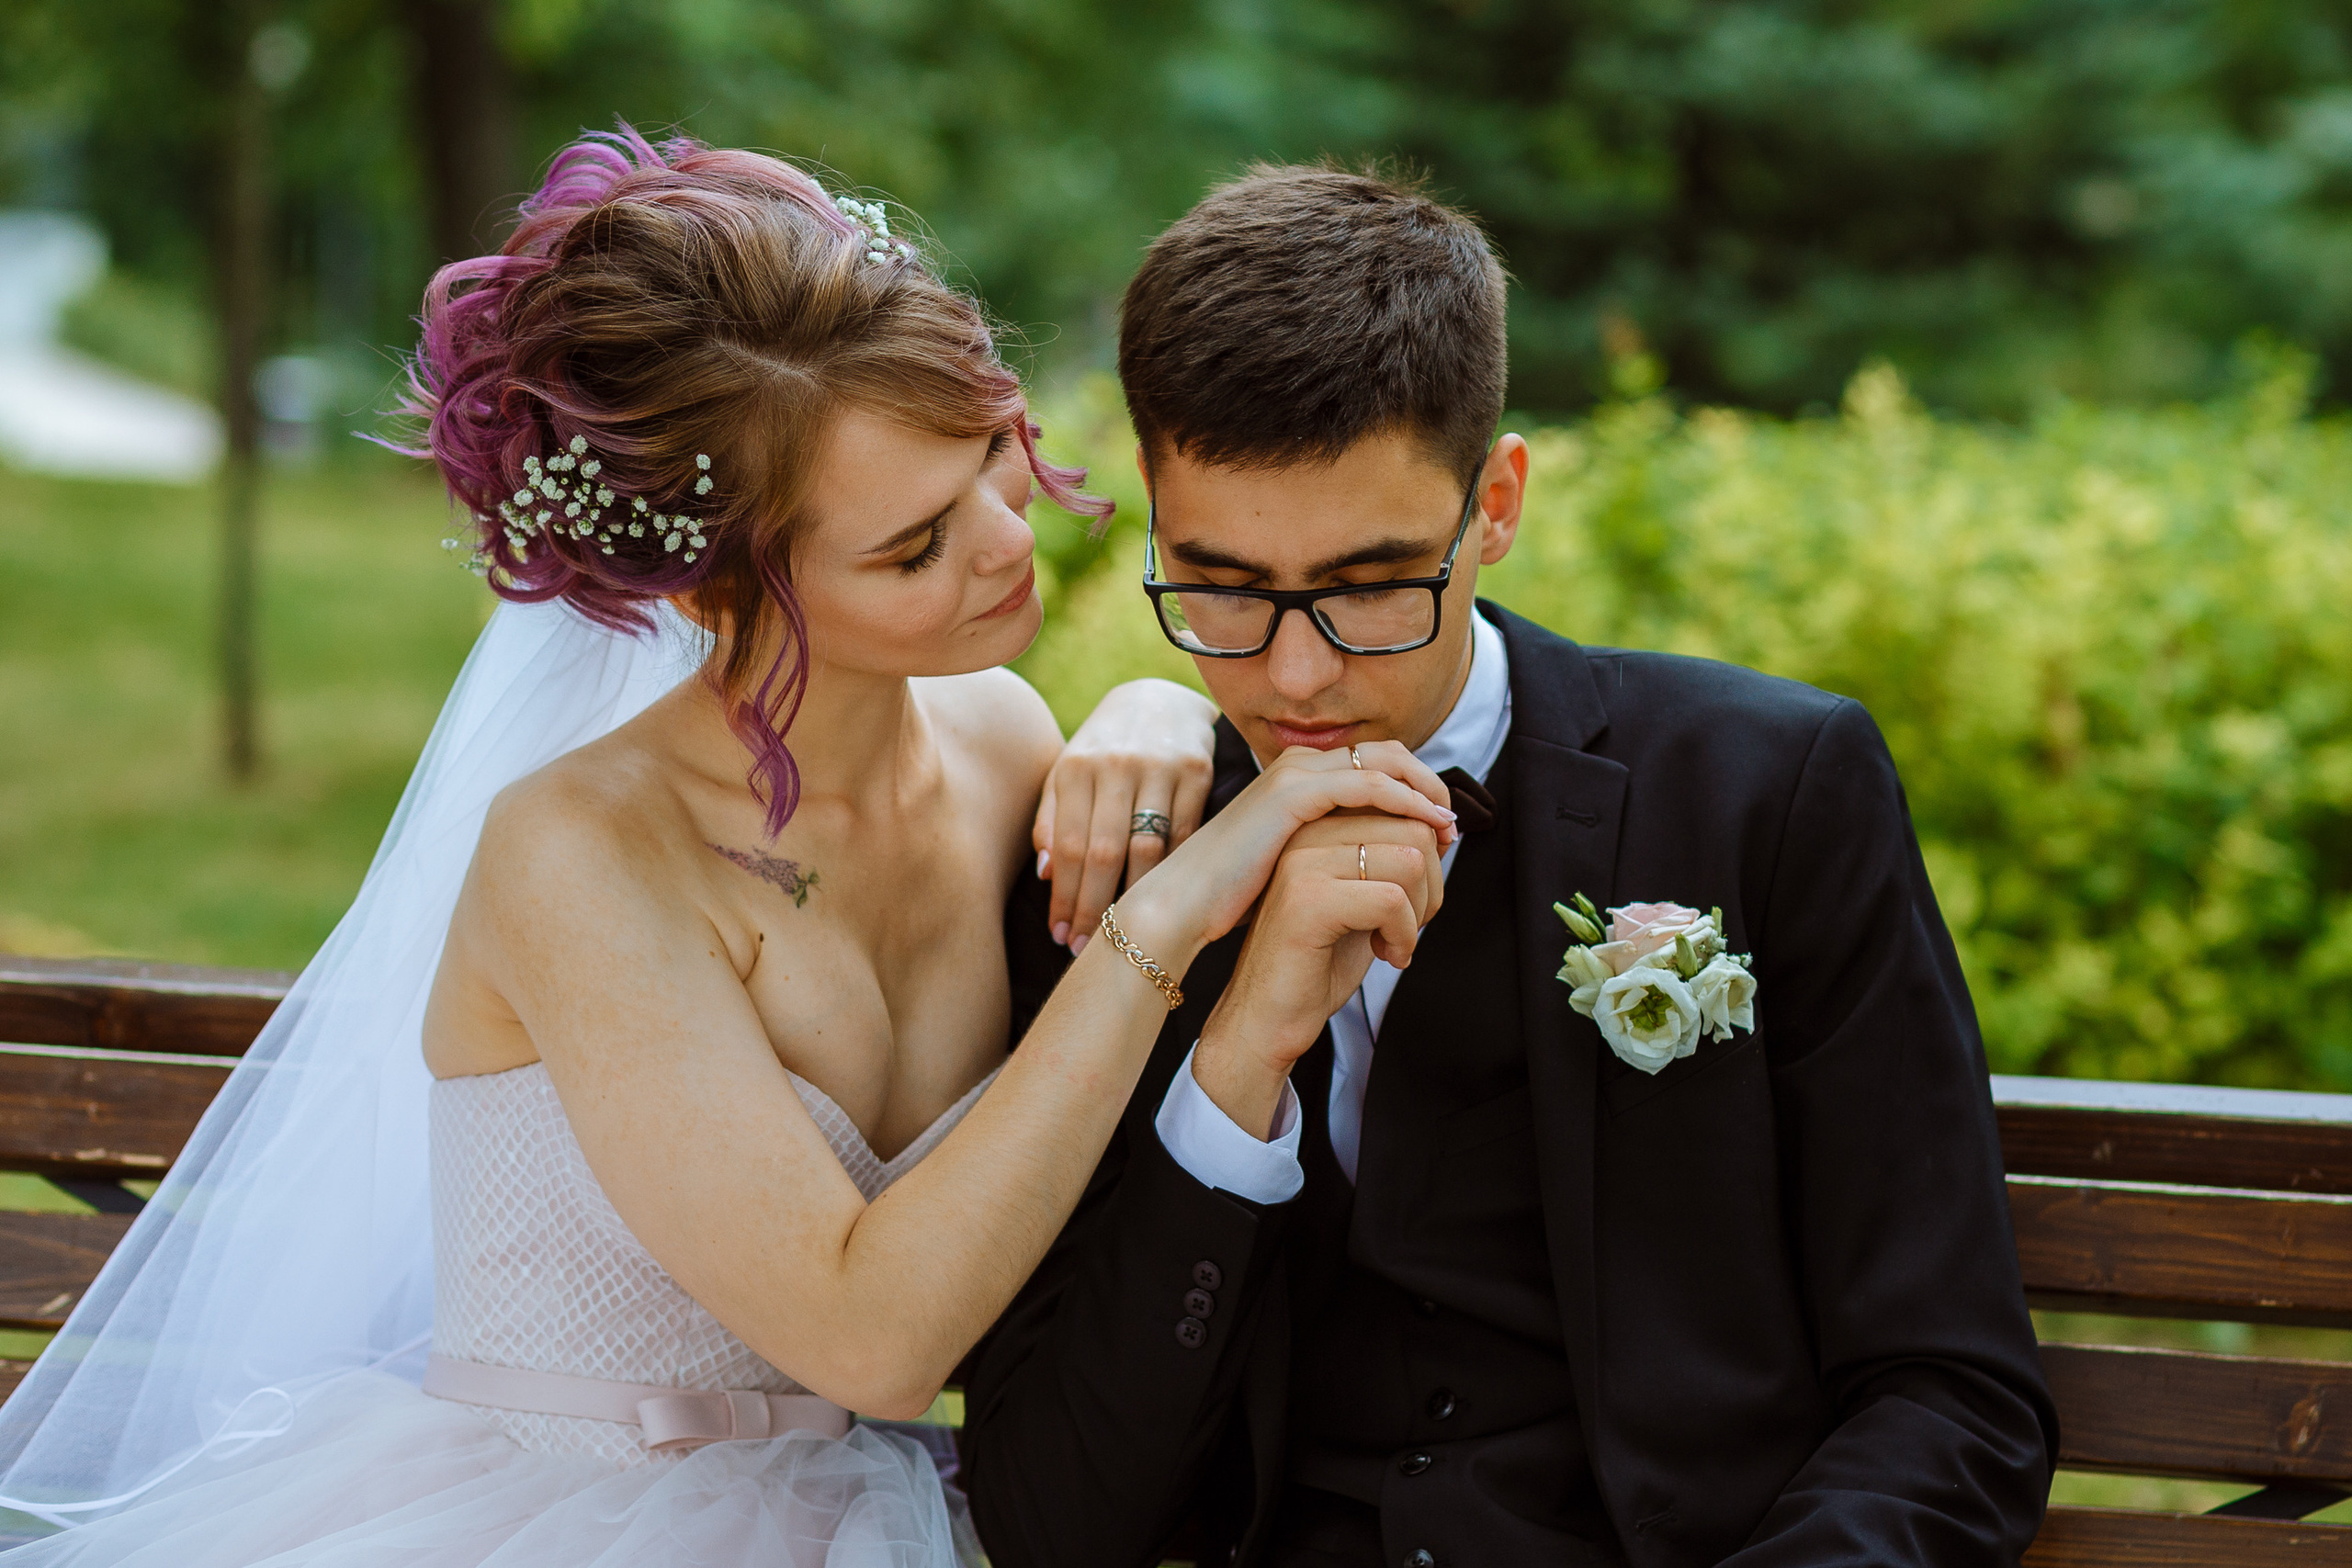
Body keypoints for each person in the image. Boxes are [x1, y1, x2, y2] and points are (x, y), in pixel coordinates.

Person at [0, 132, 1461, 1566]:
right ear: (711, 594)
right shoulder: (581, 855)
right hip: (561, 1520)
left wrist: (1158, 709)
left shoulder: (1005, 738)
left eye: (990, 464)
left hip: (873, 1510)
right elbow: (874, 1343)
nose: (1007, 544)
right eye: (910, 548)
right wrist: (1179, 909)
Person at [960, 164, 2059, 1568]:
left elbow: (1952, 1391)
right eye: (1221, 587)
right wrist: (1238, 1054)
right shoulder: (1107, 871)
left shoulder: (1772, 791)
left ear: (1498, 503)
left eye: (1368, 585)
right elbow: (1054, 1523)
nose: (1294, 674)